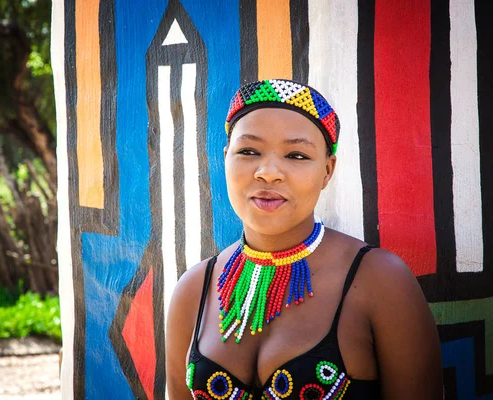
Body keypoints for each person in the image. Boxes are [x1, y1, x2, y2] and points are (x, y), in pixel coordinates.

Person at [166, 79, 443, 400]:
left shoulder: (379, 281)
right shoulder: (193, 290)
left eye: (296, 155)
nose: (268, 172)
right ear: (226, 157)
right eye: (248, 151)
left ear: (327, 170)